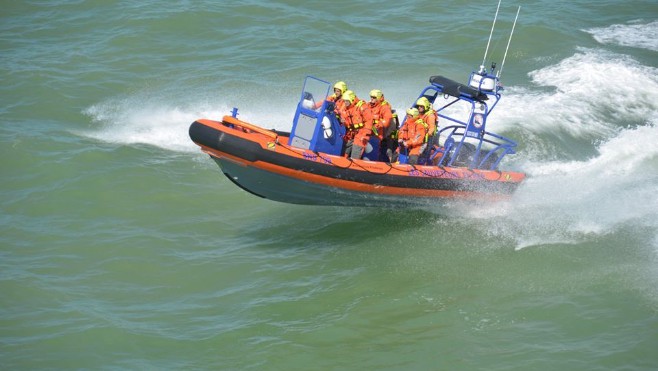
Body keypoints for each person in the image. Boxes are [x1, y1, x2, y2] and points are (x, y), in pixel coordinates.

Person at [338, 90, 371, 159]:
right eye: (344, 101)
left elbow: (369, 120)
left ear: (351, 99)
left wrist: (365, 134)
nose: (345, 102)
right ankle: (344, 162)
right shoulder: (346, 109)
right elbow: (347, 122)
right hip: (351, 134)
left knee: (355, 153)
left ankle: (354, 164)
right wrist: (343, 121)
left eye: (347, 101)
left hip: (361, 133)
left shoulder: (361, 106)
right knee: (345, 151)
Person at [367, 89, 396, 162]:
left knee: (381, 146)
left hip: (381, 131)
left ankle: (379, 161)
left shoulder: (385, 107)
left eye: (374, 97)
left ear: (378, 98)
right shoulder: (369, 105)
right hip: (370, 130)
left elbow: (387, 119)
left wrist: (377, 125)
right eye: (371, 97)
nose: (372, 99)